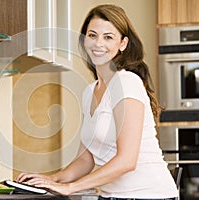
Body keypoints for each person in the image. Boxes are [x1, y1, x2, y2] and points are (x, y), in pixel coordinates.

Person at [16, 4, 178, 199]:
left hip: (148, 195)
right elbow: (86, 158)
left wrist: (71, 187)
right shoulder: (89, 92)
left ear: (123, 44)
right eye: (92, 35)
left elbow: (127, 160)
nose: (98, 44)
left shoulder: (127, 82)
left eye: (108, 37)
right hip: (112, 196)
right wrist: (53, 179)